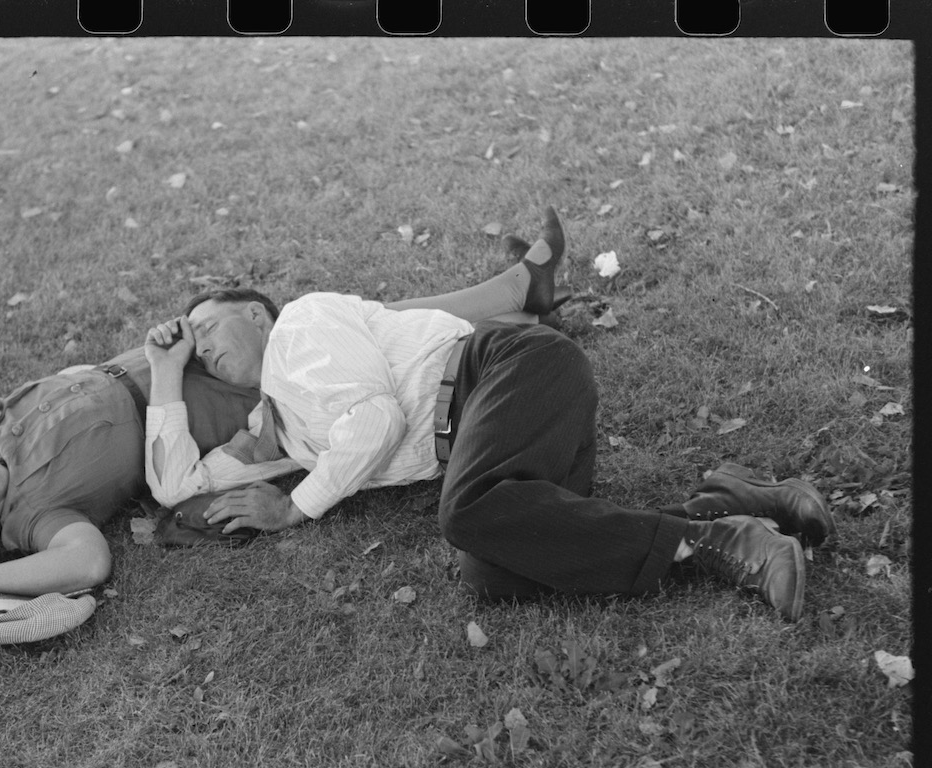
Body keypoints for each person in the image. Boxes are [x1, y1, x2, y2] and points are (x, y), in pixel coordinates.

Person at [143, 208, 835, 621]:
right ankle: (739, 505)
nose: (203, 349)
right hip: (498, 440)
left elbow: (377, 420)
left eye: (207, 330)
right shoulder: (278, 428)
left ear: (255, 313)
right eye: (197, 353)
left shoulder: (301, 326)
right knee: (492, 574)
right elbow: (176, 486)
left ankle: (725, 548)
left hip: (507, 368)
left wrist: (294, 508)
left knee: (464, 511)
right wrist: (169, 374)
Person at [0, 224, 565, 612]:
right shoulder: (31, 517)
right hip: (206, 402)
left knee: (363, 327)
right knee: (355, 339)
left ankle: (515, 303)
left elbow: (60, 389)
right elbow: (85, 561)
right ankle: (515, 302)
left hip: (163, 354)